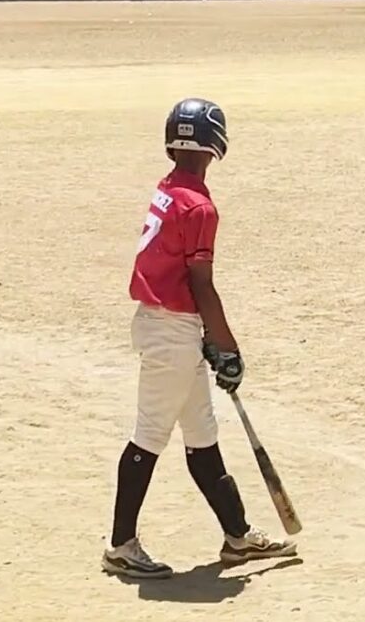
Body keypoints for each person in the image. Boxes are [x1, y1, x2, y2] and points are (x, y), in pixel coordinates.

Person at [102, 98, 298, 579]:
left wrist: (205, 336)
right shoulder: (200, 207)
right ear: (216, 142)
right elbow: (201, 283)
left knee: (202, 435)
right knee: (150, 434)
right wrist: (227, 346)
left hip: (169, 323)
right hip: (171, 328)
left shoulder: (169, 189)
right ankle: (121, 545)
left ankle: (237, 536)